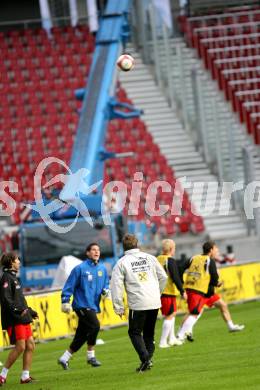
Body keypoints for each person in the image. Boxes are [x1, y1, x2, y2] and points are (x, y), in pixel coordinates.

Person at [111, 234, 167, 373]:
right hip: (154, 301)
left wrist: (118, 306)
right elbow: (164, 277)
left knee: (134, 332)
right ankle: (147, 361)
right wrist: (157, 293)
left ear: (123, 246)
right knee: (149, 333)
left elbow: (116, 286)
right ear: (137, 244)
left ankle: (146, 358)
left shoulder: (121, 262)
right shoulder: (150, 258)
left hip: (138, 303)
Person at [58, 243, 109, 370]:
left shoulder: (102, 269)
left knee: (81, 335)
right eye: (93, 250)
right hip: (81, 305)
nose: (96, 252)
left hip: (93, 305)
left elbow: (106, 285)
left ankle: (64, 358)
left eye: (98, 249)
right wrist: (65, 300)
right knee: (95, 326)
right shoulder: (79, 269)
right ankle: (91, 356)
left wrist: (106, 290)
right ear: (87, 253)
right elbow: (69, 285)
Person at [0, 252, 38, 386]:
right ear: (11, 262)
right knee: (20, 346)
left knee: (30, 345)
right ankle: (2, 375)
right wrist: (18, 310)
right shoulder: (6, 278)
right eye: (17, 260)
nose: (19, 262)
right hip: (15, 318)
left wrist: (30, 311)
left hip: (22, 317)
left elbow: (19, 299)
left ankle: (25, 376)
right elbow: (5, 299)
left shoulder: (13, 277)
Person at [176, 241, 221, 341]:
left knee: (194, 311)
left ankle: (186, 332)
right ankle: (180, 335)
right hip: (198, 289)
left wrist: (182, 281)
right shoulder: (209, 261)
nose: (216, 250)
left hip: (189, 288)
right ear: (211, 250)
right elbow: (214, 276)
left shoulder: (194, 257)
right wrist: (216, 283)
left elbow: (180, 268)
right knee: (195, 313)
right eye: (215, 248)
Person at [157, 239, 187, 348]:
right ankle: (163, 342)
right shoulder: (170, 260)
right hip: (168, 291)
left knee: (172, 314)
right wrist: (182, 291)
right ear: (171, 249)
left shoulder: (157, 259)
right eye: (174, 248)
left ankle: (172, 338)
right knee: (170, 315)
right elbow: (175, 278)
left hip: (160, 292)